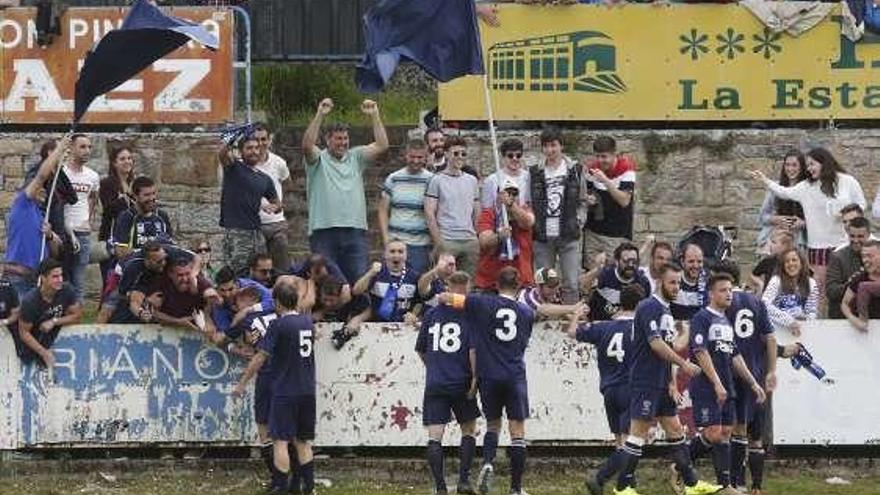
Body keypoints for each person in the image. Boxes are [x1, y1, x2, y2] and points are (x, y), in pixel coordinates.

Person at [601, 262, 716, 495]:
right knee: (638, 435)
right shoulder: (649, 306)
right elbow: (656, 345)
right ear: (660, 282)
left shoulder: (665, 310)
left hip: (661, 382)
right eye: (672, 282)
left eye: (679, 283)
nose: (677, 287)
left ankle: (692, 484)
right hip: (645, 380)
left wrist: (672, 380)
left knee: (675, 431)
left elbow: (670, 345)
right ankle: (621, 487)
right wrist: (683, 363)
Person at [438, 267, 535, 495]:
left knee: (493, 425)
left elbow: (445, 298)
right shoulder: (526, 312)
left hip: (488, 375)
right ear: (519, 285)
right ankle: (515, 489)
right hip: (514, 375)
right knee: (517, 431)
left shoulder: (482, 303)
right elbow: (523, 343)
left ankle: (488, 462)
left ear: (496, 284)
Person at [749, 147, 866, 307]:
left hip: (843, 244)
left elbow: (861, 205)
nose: (809, 169)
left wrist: (846, 214)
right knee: (819, 291)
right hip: (818, 247)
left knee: (848, 287)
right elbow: (784, 192)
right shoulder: (806, 187)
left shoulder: (847, 181)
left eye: (812, 164)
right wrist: (765, 180)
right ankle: (821, 324)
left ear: (824, 162)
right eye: (807, 165)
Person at [686, 273, 766, 495]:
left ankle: (724, 486)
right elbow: (700, 352)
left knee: (726, 433)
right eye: (723, 290)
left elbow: (735, 356)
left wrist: (753, 383)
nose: (728, 294)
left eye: (730, 289)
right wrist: (716, 383)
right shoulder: (702, 318)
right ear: (711, 294)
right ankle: (681, 464)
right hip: (707, 385)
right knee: (713, 432)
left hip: (727, 385)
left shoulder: (726, 321)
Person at [234, 282, 316, 495]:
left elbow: (260, 357)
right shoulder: (307, 321)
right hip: (307, 389)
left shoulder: (279, 326)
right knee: (302, 441)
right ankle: (308, 488)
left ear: (277, 302)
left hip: (285, 389)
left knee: (280, 440)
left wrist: (242, 383)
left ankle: (280, 486)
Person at [567, 285, 645, 495]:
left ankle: (627, 485)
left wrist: (576, 315)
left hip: (609, 390)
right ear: (640, 305)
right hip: (631, 388)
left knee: (621, 443)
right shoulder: (640, 329)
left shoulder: (604, 327)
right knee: (634, 441)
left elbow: (572, 332)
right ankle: (600, 478)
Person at [302, 97, 389, 285]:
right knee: (325, 281)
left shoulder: (356, 157)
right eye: (338, 138)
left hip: (355, 231)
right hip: (323, 231)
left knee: (358, 280)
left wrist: (375, 115)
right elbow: (307, 146)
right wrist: (320, 114)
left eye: (345, 138)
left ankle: (355, 315)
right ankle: (328, 316)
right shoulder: (318, 159)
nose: (343, 142)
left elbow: (382, 145)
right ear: (327, 140)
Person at [711, 260, 777, 495]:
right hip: (756, 374)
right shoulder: (757, 303)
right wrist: (771, 370)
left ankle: (736, 483)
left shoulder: (721, 304)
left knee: (733, 430)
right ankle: (755, 487)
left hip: (730, 373)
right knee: (753, 434)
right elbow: (770, 338)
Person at [416, 271, 480, 495]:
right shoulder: (469, 315)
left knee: (435, 435)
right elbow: (473, 351)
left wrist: (433, 368)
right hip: (461, 381)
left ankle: (441, 487)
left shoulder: (432, 314)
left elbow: (421, 349)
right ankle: (463, 480)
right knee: (469, 430)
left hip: (436, 382)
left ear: (448, 286)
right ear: (468, 288)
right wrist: (475, 378)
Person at [4, 136, 69, 298]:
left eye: (46, 190)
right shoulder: (22, 204)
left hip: (37, 278)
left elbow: (57, 249)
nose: (43, 191)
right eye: (40, 189)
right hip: (19, 276)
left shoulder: (41, 216)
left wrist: (50, 235)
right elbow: (41, 177)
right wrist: (58, 150)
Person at [529, 127, 586, 303]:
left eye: (553, 145)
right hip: (543, 235)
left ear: (561, 146)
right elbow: (530, 201)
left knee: (571, 282)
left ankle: (570, 320)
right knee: (544, 281)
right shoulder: (535, 172)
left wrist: (579, 221)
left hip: (568, 232)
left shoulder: (575, 169)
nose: (550, 150)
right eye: (546, 146)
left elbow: (582, 200)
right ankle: (545, 318)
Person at [218, 130, 281, 275]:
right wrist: (231, 138)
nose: (254, 151)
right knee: (237, 273)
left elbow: (277, 203)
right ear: (241, 152)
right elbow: (222, 154)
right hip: (236, 232)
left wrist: (273, 207)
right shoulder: (233, 168)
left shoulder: (265, 178)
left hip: (257, 232)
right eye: (249, 148)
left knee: (262, 273)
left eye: (256, 148)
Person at [425, 136, 481, 275]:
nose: (460, 157)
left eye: (463, 154)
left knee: (467, 285)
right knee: (444, 283)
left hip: (470, 240)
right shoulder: (436, 180)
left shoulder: (472, 180)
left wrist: (476, 235)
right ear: (446, 154)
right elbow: (429, 213)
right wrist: (439, 242)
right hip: (447, 239)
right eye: (455, 153)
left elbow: (477, 210)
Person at [378, 139, 434, 274]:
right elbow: (382, 210)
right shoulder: (393, 178)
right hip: (395, 243)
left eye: (420, 157)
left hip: (420, 245)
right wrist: (386, 238)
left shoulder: (432, 180)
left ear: (426, 157)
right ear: (406, 155)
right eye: (412, 157)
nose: (415, 161)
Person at [13, 258, 82, 368]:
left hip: (58, 339)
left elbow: (77, 316)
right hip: (33, 342)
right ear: (43, 278)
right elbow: (24, 333)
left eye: (61, 275)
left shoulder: (67, 289)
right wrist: (44, 353)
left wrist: (54, 321)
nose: (60, 280)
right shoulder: (30, 301)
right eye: (55, 277)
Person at [583, 136, 637, 263]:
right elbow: (587, 194)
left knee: (614, 275)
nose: (600, 161)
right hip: (593, 233)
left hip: (617, 235)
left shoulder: (626, 169)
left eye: (604, 156)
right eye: (597, 156)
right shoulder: (592, 169)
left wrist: (605, 181)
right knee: (592, 276)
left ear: (614, 155)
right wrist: (588, 199)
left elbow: (624, 201)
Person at [475, 179, 535, 291]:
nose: (510, 196)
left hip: (521, 280)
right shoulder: (488, 214)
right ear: (498, 195)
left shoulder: (525, 211)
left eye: (514, 194)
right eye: (507, 193)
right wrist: (499, 236)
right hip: (493, 281)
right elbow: (484, 241)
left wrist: (511, 205)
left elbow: (528, 222)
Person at [62, 134, 100, 300]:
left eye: (89, 147)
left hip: (82, 232)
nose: (87, 151)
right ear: (71, 148)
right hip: (62, 230)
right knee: (61, 275)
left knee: (78, 278)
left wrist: (88, 221)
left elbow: (93, 198)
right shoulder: (61, 173)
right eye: (82, 146)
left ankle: (75, 317)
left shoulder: (92, 176)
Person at [253, 122, 293, 272]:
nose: (260, 143)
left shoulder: (279, 162)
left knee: (282, 267)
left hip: (276, 222)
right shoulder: (245, 163)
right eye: (256, 139)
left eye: (264, 139)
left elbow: (288, 183)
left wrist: (279, 202)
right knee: (259, 266)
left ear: (270, 139)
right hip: (255, 223)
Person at [352, 241, 421, 324]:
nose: (396, 255)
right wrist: (370, 273)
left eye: (400, 252)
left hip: (404, 326)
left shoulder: (414, 276)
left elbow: (420, 302)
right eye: (392, 251)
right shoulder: (377, 272)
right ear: (385, 254)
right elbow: (356, 291)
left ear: (406, 255)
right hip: (376, 326)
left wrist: (413, 314)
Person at [98, 144, 135, 288]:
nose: (127, 161)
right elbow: (109, 209)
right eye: (122, 159)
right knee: (110, 282)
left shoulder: (134, 183)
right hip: (112, 239)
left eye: (129, 158)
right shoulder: (107, 184)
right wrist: (124, 197)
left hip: (131, 240)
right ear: (114, 163)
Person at [755, 151, 807, 253]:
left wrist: (803, 223)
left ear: (801, 167)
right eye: (787, 165)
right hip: (775, 238)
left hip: (799, 242)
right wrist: (775, 219)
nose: (790, 169)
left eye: (794, 165)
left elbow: (817, 220)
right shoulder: (775, 188)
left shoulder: (808, 189)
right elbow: (762, 217)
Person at [587, 242, 652, 321]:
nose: (630, 265)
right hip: (602, 325)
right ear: (617, 261)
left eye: (634, 261)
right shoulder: (605, 276)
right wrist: (596, 270)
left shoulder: (643, 282)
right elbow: (583, 286)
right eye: (626, 261)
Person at [761, 248, 818, 335]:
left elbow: (812, 311)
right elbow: (764, 304)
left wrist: (805, 325)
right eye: (787, 261)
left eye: (794, 260)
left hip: (801, 330)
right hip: (778, 329)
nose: (791, 264)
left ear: (802, 263)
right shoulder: (776, 281)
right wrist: (789, 321)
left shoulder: (811, 283)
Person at [111, 176, 173, 254]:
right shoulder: (126, 217)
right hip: (133, 263)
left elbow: (170, 246)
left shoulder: (162, 216)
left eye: (153, 193)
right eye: (147, 195)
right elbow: (120, 251)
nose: (152, 198)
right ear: (135, 196)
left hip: (160, 263)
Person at [827, 216, 871, 319]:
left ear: (868, 235)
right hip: (842, 317)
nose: (855, 240)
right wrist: (853, 284)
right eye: (852, 236)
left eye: (860, 236)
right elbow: (831, 291)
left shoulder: (877, 255)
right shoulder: (837, 257)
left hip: (872, 316)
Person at [841, 240, 880, 332]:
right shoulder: (859, 279)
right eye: (863, 256)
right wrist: (854, 320)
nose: (865, 260)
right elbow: (845, 303)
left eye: (870, 256)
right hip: (864, 335)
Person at [481, 138, 530, 209]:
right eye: (510, 156)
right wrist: (498, 202)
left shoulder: (528, 177)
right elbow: (487, 208)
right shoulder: (492, 180)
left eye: (518, 155)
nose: (515, 158)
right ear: (503, 157)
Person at [671, 243, 709, 321]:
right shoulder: (673, 281)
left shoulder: (709, 284)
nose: (695, 266)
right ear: (682, 262)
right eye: (691, 261)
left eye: (699, 262)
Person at [749, 230, 794, 295]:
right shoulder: (768, 261)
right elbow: (753, 275)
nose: (770, 245)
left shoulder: (795, 262)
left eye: (774, 242)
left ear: (784, 246)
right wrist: (760, 283)